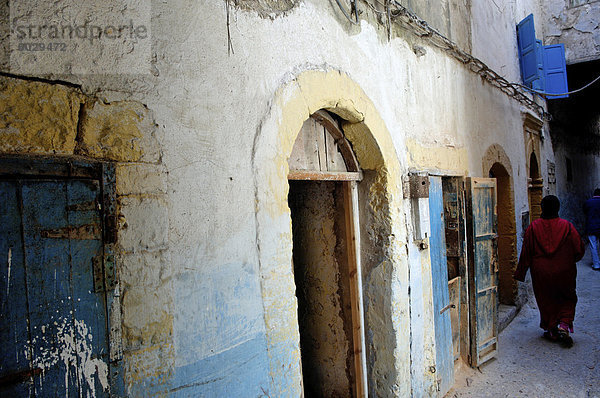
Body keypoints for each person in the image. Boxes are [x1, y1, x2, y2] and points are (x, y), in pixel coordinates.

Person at [514, 195, 584, 347]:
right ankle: (564, 324)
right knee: (567, 297)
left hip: (541, 272)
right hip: (565, 270)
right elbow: (578, 248)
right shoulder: (567, 226)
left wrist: (521, 272)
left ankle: (552, 328)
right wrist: (571, 260)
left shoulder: (533, 227)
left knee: (546, 299)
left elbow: (526, 252)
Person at [583, 188, 600, 270]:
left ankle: (596, 264)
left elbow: (585, 212)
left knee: (593, 246)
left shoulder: (588, 202)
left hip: (591, 226)